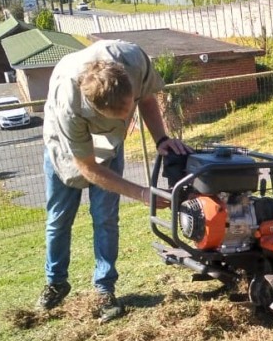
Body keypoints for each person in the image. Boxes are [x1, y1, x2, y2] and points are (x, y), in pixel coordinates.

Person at [36, 39, 192, 322]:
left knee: (105, 216)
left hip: (109, 142)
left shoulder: (132, 60)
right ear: (97, 110)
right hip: (66, 146)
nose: (128, 118)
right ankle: (56, 282)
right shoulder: (68, 104)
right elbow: (86, 167)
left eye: (128, 108)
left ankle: (104, 289)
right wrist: (143, 194)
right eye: (121, 116)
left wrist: (161, 139)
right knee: (59, 218)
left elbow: (145, 98)